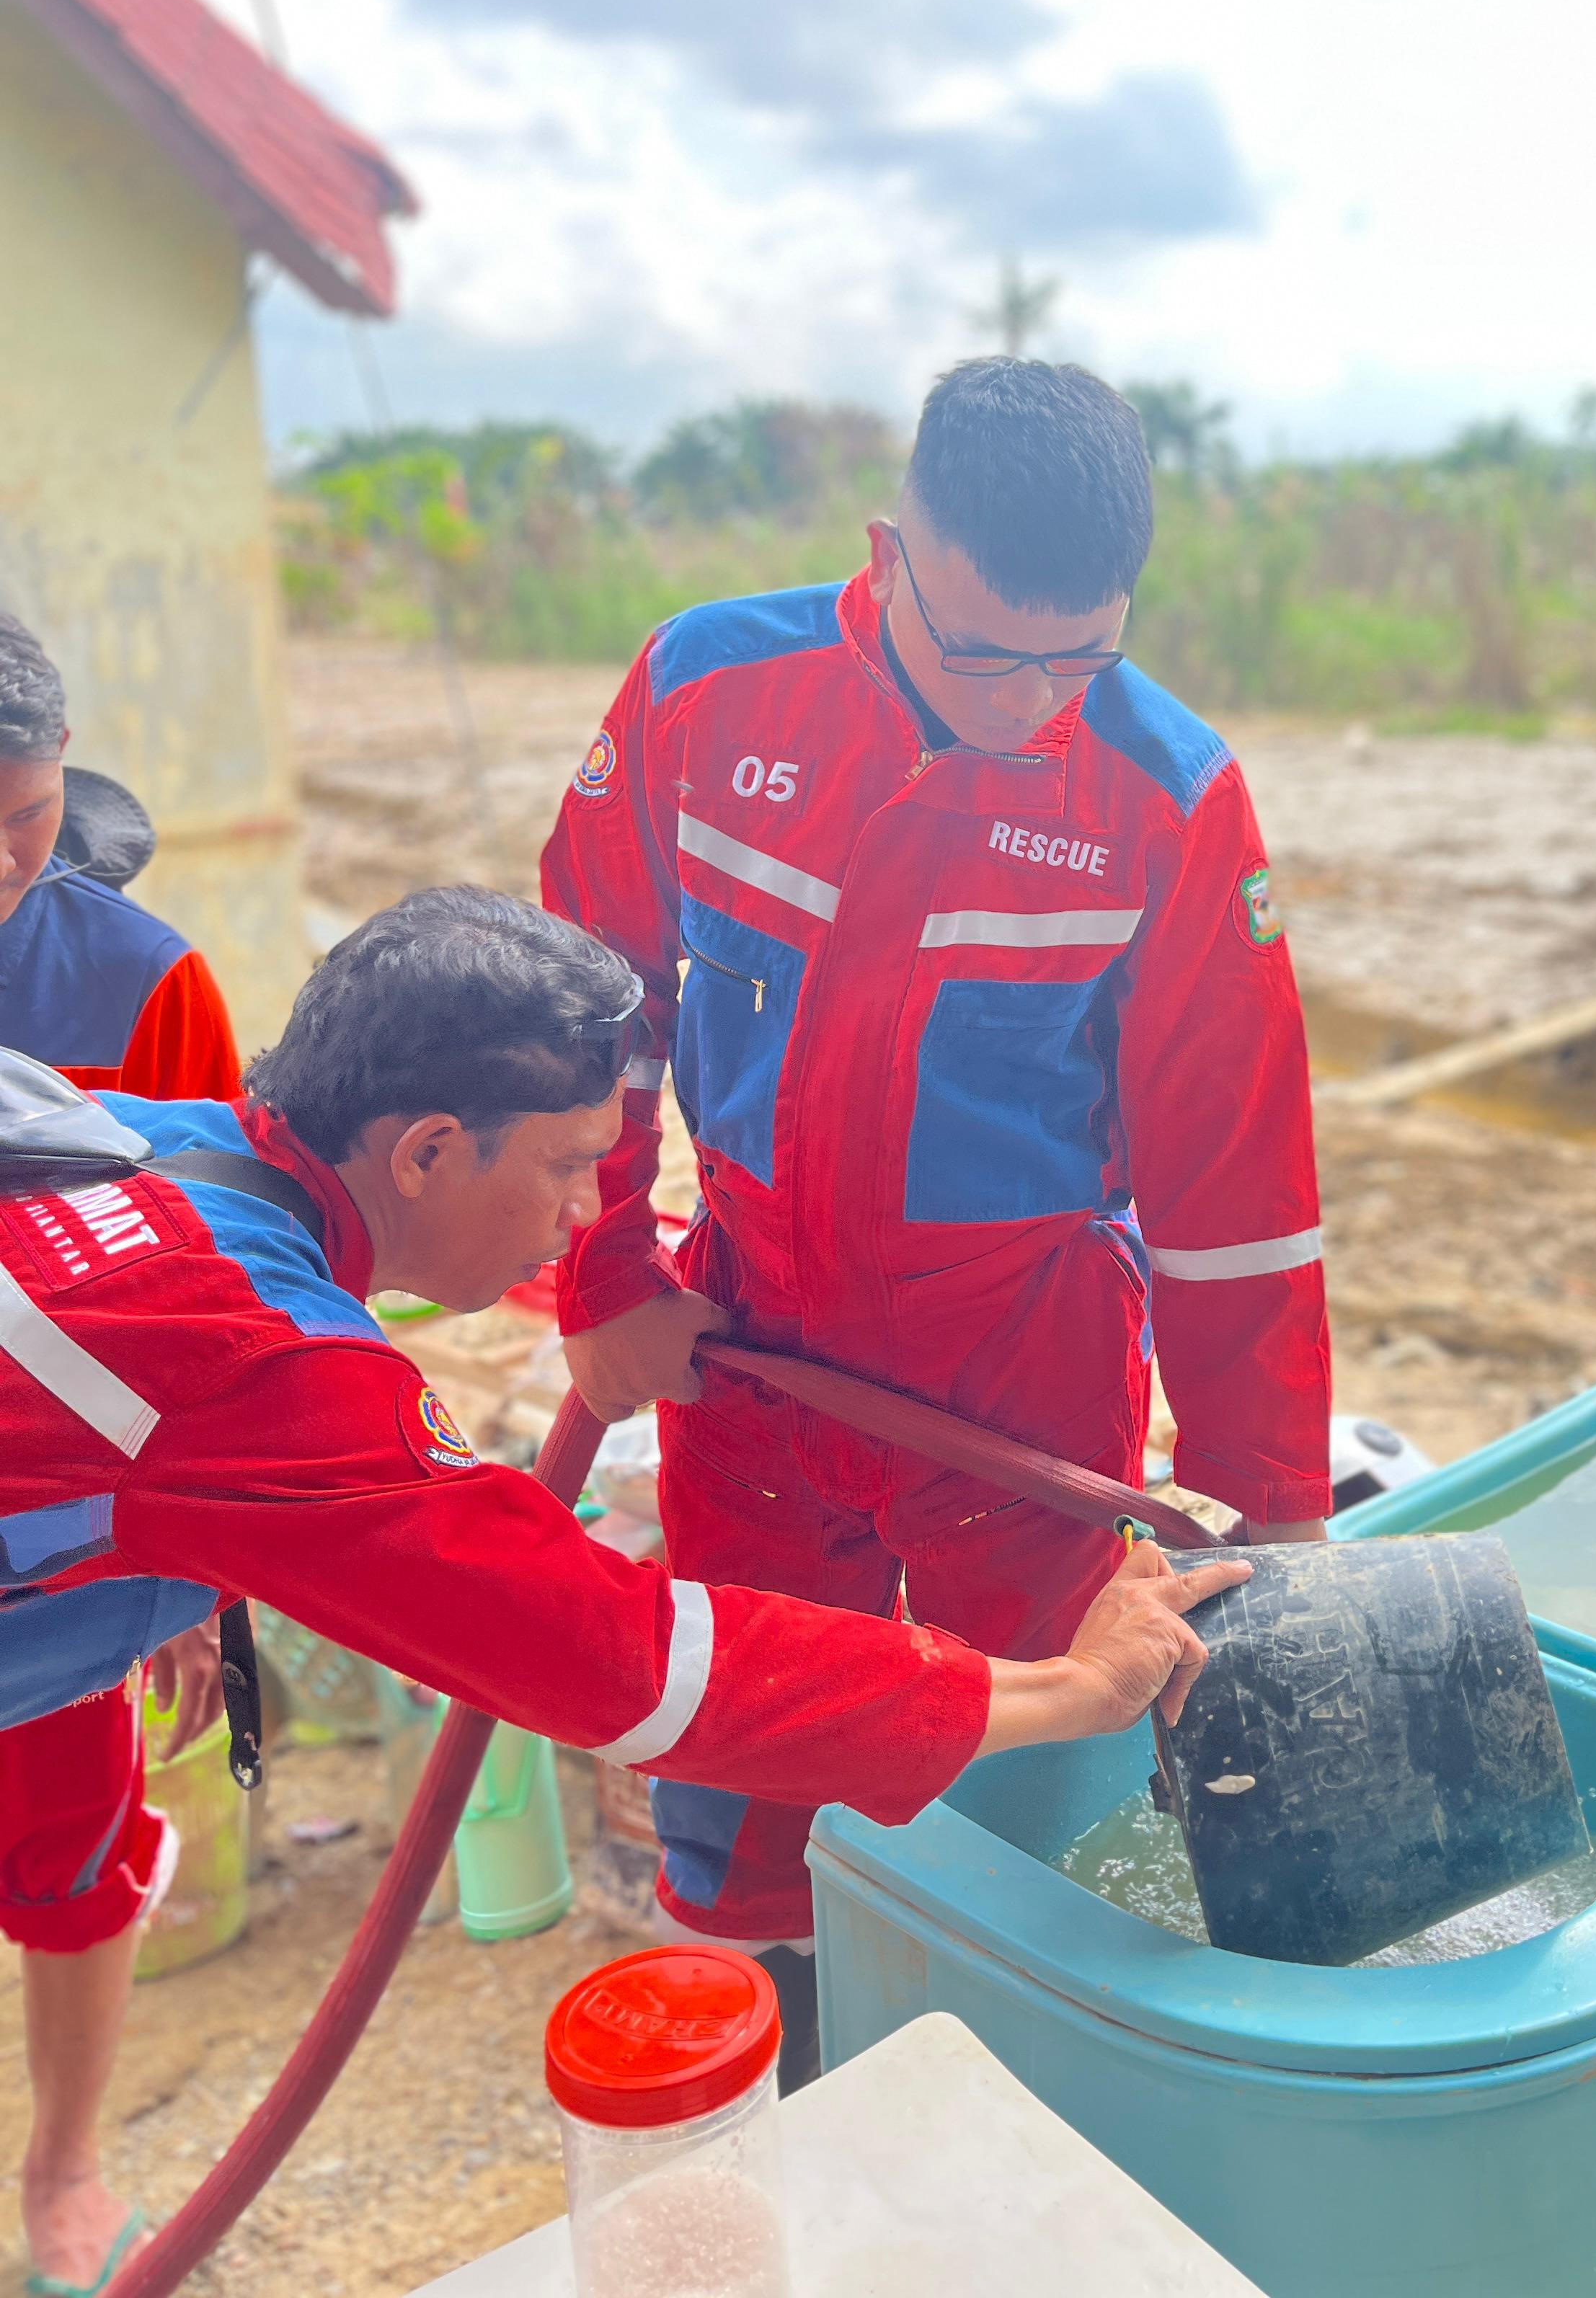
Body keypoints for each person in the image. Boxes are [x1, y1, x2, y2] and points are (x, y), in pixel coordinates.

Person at [0, 886, 1246, 2237]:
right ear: (423, 1152)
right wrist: (1069, 1689)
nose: (583, 1215)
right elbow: (619, 1657)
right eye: (565, 1166)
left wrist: (162, 1566)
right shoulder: (257, 1363)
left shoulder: (114, 1130)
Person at [541, 358, 1329, 2025]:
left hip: (1019, 1376)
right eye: (979, 649)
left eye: (1080, 654)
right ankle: (792, 2056)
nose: (1025, 700)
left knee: (1049, 1760)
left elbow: (1234, 1184)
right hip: (749, 1341)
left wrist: (1266, 1500)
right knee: (755, 1756)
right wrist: (605, 1273)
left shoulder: (1168, 798)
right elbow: (591, 999)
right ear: (886, 553)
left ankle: (1017, 2066)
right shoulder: (707, 692)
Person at [0, 617, 237, 2298]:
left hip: (67, 1536)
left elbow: (223, 1314)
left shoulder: (141, 987)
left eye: (32, 814)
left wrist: (204, 1581)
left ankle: (65, 2169)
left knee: (69, 1847)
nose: (11, 860)